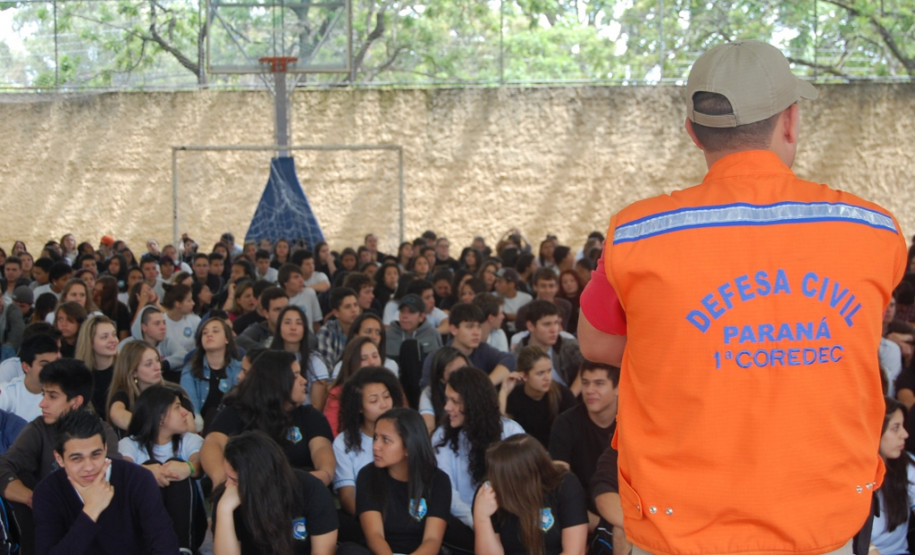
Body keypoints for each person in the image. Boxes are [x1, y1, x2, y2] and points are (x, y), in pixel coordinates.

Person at [578, 41, 907, 553]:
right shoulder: (875, 229)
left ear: (693, 132)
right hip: (821, 524)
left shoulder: (637, 231)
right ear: (791, 122)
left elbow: (596, 345)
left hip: (678, 528)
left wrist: (690, 348)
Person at [0, 359, 120, 555]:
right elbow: (3, 467)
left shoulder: (102, 433)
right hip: (48, 525)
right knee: (23, 477)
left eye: (52, 396)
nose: (42, 403)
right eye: (43, 394)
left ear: (76, 402)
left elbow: (114, 477)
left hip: (99, 521)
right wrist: (33, 498)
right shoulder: (39, 428)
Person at [32, 409, 179, 554]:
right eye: (77, 458)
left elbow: (165, 544)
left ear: (105, 448)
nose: (89, 467)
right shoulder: (47, 493)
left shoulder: (137, 479)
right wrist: (90, 512)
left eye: (96, 455)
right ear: (59, 459)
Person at [200, 350, 335, 487]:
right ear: (276, 382)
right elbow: (213, 443)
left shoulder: (311, 416)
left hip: (298, 489)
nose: (304, 380)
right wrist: (222, 479)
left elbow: (322, 453)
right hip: (247, 492)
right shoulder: (237, 412)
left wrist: (321, 475)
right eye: (295, 376)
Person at [432, 366, 524, 545]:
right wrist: (479, 522)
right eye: (446, 399)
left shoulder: (511, 432)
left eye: (454, 401)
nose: (447, 407)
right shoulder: (442, 436)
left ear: (473, 403)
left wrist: (496, 527)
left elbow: (523, 485)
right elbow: (447, 492)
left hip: (508, 522)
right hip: (464, 524)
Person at [212, 431, 338, 555]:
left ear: (259, 479)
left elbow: (322, 552)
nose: (228, 485)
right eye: (227, 477)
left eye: (234, 480)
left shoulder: (310, 488)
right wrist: (224, 510)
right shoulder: (227, 497)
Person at [119, 384, 206, 553]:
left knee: (177, 464)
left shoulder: (190, 440)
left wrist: (186, 468)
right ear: (159, 417)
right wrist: (145, 473)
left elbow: (200, 465)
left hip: (190, 526)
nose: (186, 413)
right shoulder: (129, 444)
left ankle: (182, 549)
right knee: (145, 469)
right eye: (177, 407)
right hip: (143, 530)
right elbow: (123, 471)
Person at [472, 434, 588, 555]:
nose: (493, 480)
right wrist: (481, 517)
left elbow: (575, 551)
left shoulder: (565, 484)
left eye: (500, 475)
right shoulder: (489, 496)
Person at [356, 408, 450, 555]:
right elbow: (375, 536)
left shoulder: (439, 481)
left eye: (385, 440)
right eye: (375, 437)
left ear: (408, 447)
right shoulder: (367, 475)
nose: (375, 446)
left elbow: (432, 540)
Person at [549, 360, 619, 532]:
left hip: (623, 514)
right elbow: (558, 483)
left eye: (599, 383)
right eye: (585, 383)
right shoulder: (565, 423)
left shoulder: (632, 423)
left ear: (618, 388)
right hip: (580, 515)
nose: (589, 390)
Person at [332, 367, 403, 516]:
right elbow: (347, 496)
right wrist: (372, 524)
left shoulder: (407, 432)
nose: (384, 404)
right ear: (359, 408)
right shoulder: (344, 442)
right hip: (366, 519)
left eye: (386, 396)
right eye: (374, 400)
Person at [498, 345, 575, 449]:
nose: (547, 378)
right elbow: (501, 430)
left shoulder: (561, 394)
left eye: (549, 371)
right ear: (524, 375)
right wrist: (504, 391)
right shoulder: (513, 396)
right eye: (540, 373)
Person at [870, 396, 915, 553]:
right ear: (876, 431)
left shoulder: (907, 465)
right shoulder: (853, 474)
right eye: (896, 428)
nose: (905, 434)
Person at [180, 317, 242, 428]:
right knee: (211, 413)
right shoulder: (190, 370)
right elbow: (191, 410)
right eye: (205, 333)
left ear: (227, 339)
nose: (209, 335)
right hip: (200, 428)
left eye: (215, 331)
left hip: (232, 427)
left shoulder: (239, 369)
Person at [270, 305, 330, 409]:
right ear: (279, 327)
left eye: (298, 323)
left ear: (305, 329)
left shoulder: (315, 360)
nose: (293, 327)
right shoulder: (267, 358)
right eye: (287, 322)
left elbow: (317, 406)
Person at [323, 337, 383, 436]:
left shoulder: (390, 386)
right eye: (364, 358)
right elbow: (331, 433)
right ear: (352, 363)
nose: (372, 362)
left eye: (375, 356)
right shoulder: (338, 394)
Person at [0, 334, 58, 423]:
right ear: (26, 367)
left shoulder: (64, 394)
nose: (52, 369)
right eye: (44, 365)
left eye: (55, 364)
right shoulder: (7, 393)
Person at [74, 315, 119, 421]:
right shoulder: (79, 378)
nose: (113, 340)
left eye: (114, 335)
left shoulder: (127, 371)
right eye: (104, 337)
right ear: (90, 342)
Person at [418, 347, 469, 435]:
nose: (461, 376)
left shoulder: (478, 388)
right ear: (442, 378)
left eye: (464, 370)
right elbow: (429, 429)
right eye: (454, 374)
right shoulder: (429, 393)